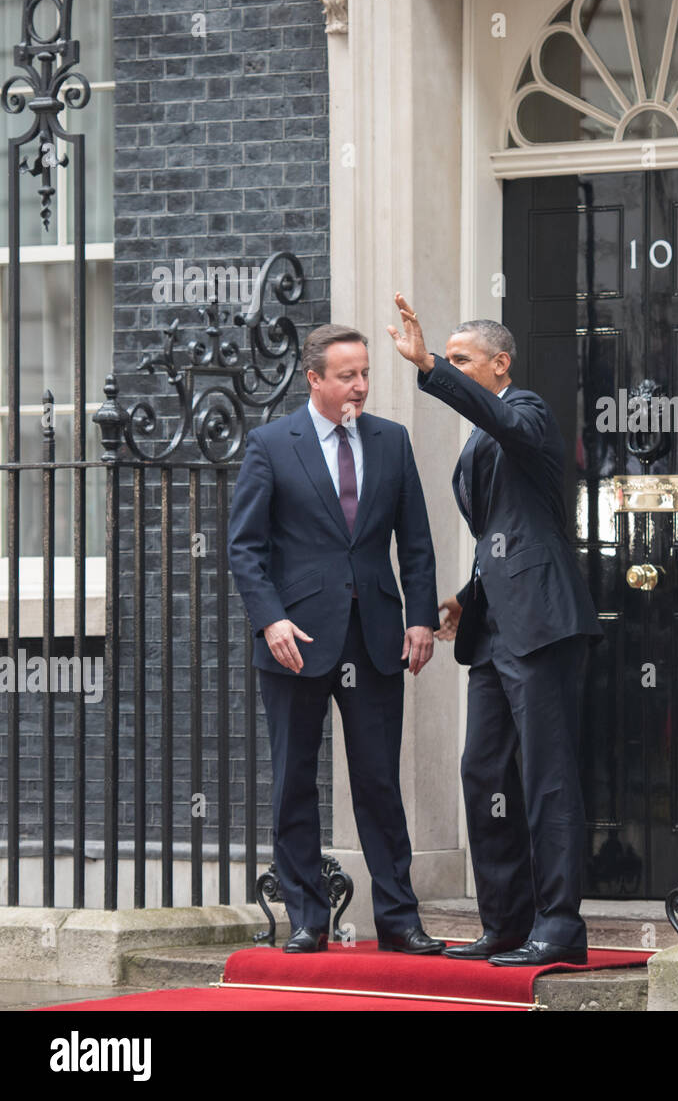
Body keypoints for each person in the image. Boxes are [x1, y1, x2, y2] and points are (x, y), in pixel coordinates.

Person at [387, 294, 603, 966]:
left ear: (499, 363)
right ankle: (505, 921)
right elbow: (500, 537)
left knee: (547, 779)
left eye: (461, 360)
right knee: (483, 772)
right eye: (447, 359)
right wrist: (463, 598)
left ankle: (559, 924)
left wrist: (427, 366)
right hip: (493, 633)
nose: (451, 369)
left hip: (543, 626)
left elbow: (499, 419)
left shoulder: (527, 414)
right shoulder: (482, 437)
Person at [228, 324, 444, 955]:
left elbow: (418, 541)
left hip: (375, 635)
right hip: (294, 637)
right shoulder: (272, 444)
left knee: (378, 780)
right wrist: (270, 620)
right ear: (314, 379)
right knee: (295, 778)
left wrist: (422, 617)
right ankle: (307, 917)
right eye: (347, 374)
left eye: (366, 373)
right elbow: (246, 548)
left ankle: (400, 919)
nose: (360, 385)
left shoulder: (392, 441)